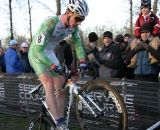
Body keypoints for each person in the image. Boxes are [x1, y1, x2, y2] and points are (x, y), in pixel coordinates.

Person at [28, 0, 89, 129]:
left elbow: (78, 45)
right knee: (49, 84)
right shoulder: (50, 24)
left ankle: (58, 123)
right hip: (37, 53)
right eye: (77, 18)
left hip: (49, 52)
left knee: (61, 87)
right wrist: (52, 66)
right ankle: (59, 122)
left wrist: (82, 60)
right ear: (68, 12)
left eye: (82, 20)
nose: (79, 23)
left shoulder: (74, 27)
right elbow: (38, 51)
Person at [128, 0, 160, 68]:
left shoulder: (153, 17)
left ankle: (153, 58)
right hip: (142, 36)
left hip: (151, 35)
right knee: (133, 42)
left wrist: (153, 34)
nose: (144, 9)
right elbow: (137, 28)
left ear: (149, 8)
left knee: (156, 40)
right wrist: (138, 36)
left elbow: (157, 26)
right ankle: (133, 61)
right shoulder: (139, 18)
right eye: (142, 8)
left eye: (145, 8)